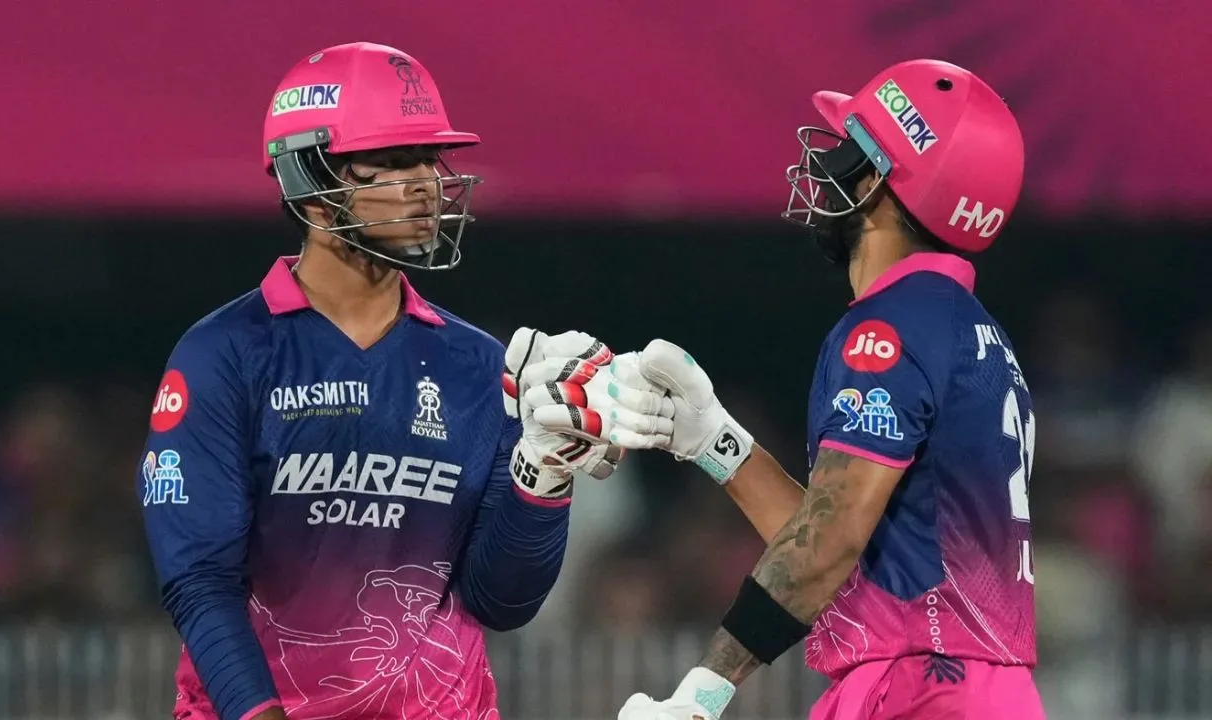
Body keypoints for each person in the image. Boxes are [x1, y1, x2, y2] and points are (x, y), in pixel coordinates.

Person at [519, 59, 1043, 719]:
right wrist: (715, 441)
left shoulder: (889, 328)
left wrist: (700, 694)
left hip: (920, 692)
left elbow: (832, 542)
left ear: (876, 180)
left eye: (850, 147)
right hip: (981, 689)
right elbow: (857, 557)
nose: (826, 166)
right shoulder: (974, 333)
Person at [136, 41, 619, 720]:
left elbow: (502, 602)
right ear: (311, 185)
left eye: (429, 159)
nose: (426, 183)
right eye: (393, 161)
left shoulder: (480, 366)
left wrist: (542, 481)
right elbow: (199, 582)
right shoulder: (224, 355)